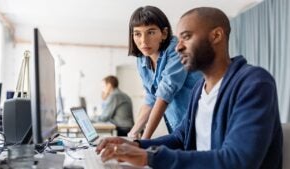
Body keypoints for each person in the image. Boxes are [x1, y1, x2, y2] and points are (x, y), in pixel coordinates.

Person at [96, 7, 283, 169]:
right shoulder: (199, 89)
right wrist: (136, 144)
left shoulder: (254, 83)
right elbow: (179, 138)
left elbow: (238, 161)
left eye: (186, 37)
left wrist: (150, 157)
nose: (178, 48)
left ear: (216, 36)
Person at [127, 6, 201, 139]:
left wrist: (144, 141)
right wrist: (132, 134)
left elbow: (165, 93)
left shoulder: (177, 48)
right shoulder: (142, 59)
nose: (143, 41)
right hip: (179, 128)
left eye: (150, 32)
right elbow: (151, 98)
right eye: (137, 34)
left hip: (199, 124)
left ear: (164, 34)